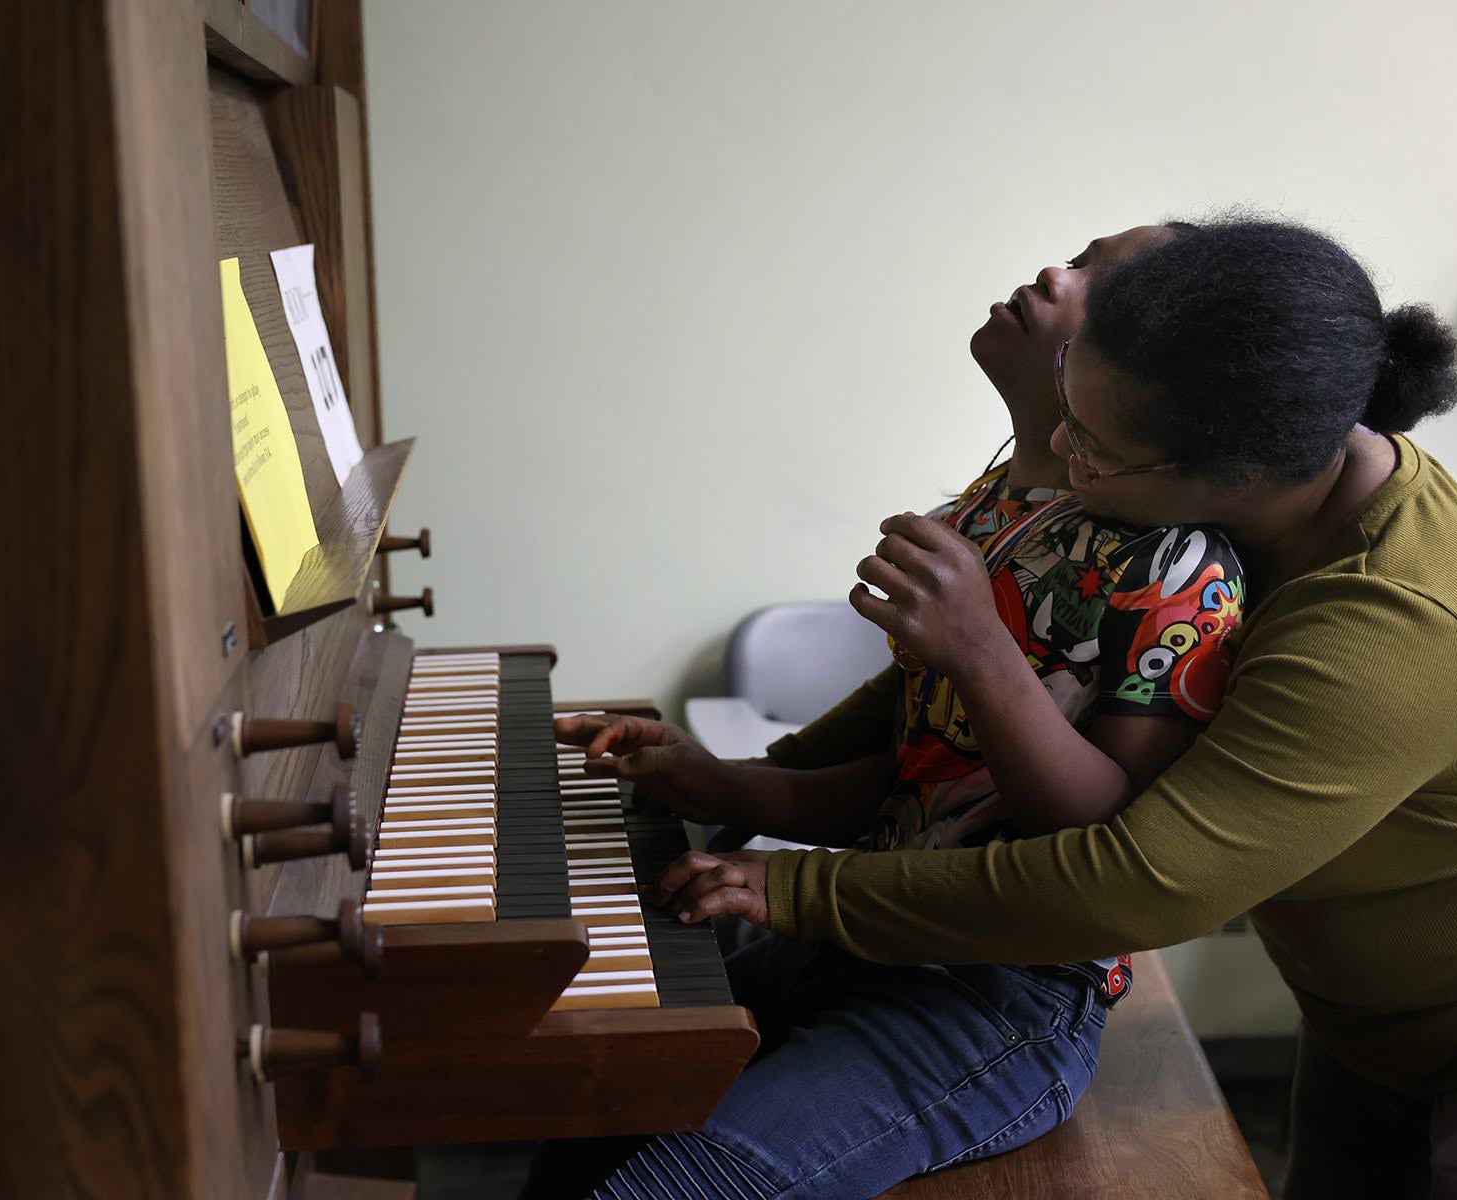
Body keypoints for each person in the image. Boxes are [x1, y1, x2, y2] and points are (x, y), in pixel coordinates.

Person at [612, 217, 1457, 1199]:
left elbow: (1136, 881)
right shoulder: (1229, 470)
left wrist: (797, 889)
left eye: (1096, 450)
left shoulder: (1387, 626)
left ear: (1227, 481)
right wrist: (753, 782)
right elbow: (938, 707)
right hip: (1358, 1014)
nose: (1064, 458)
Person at [526, 222, 1246, 1199]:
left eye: (1092, 281)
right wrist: (723, 781)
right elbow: (927, 776)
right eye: (1072, 252)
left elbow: (1098, 840)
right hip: (877, 929)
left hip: (996, 1002)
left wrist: (979, 646)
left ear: (1151, 375)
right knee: (597, 1067)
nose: (1049, 271)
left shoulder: (1177, 566)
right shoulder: (999, 505)